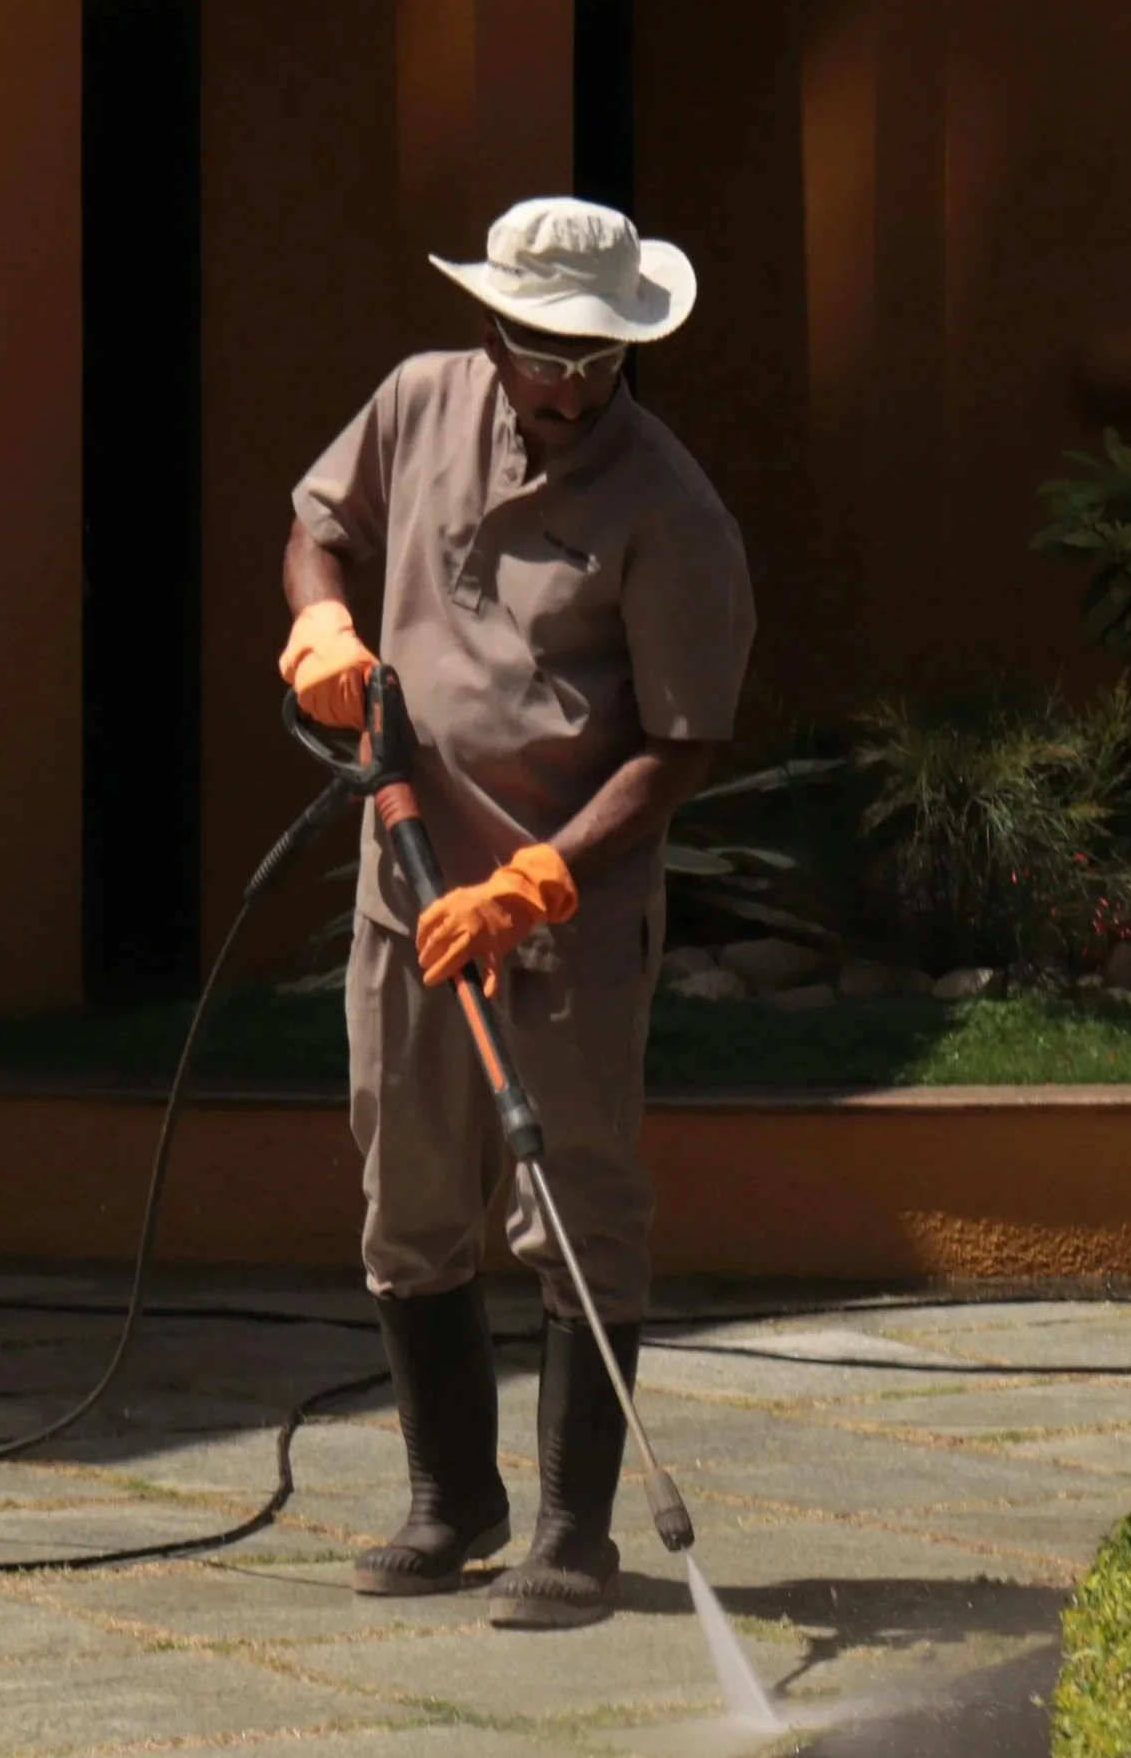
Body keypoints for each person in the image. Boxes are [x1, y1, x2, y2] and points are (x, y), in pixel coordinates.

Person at [280, 195, 754, 1628]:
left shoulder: (670, 508)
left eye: (587, 358)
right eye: (534, 346)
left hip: (563, 914)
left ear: (626, 353)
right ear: (495, 324)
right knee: (410, 1201)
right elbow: (318, 524)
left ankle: (571, 1531)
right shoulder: (421, 401)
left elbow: (681, 742)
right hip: (407, 892)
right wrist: (322, 621)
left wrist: (542, 876)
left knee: (575, 1200)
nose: (555, 380)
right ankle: (450, 1500)